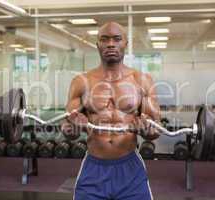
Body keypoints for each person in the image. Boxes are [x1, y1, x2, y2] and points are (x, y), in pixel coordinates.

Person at [61, 21, 161, 200]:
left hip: (130, 168)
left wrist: (147, 130)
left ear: (125, 44)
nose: (110, 44)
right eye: (104, 39)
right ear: (97, 44)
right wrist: (73, 127)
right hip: (93, 168)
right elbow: (68, 131)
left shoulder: (142, 80)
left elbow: (155, 130)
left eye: (117, 39)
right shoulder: (81, 82)